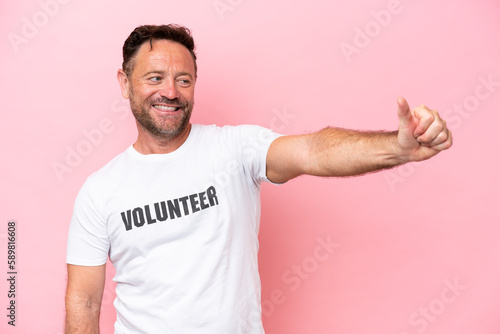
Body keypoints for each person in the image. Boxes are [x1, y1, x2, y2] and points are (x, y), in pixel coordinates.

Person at [64, 24, 452, 334]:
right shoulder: (100, 192)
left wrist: (396, 148)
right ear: (124, 82)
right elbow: (84, 303)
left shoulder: (234, 148)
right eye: (155, 77)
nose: (170, 91)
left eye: (184, 80)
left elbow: (313, 150)